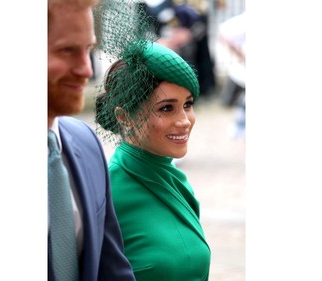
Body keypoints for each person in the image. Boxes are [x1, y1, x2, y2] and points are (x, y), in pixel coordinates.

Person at [95, 41, 211, 281]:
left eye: (187, 105)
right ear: (124, 115)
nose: (185, 121)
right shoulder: (106, 194)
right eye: (167, 108)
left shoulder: (174, 178)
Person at [48, 0, 136, 280]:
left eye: (89, 50)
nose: (86, 70)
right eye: (67, 51)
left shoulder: (86, 142)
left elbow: (112, 268)